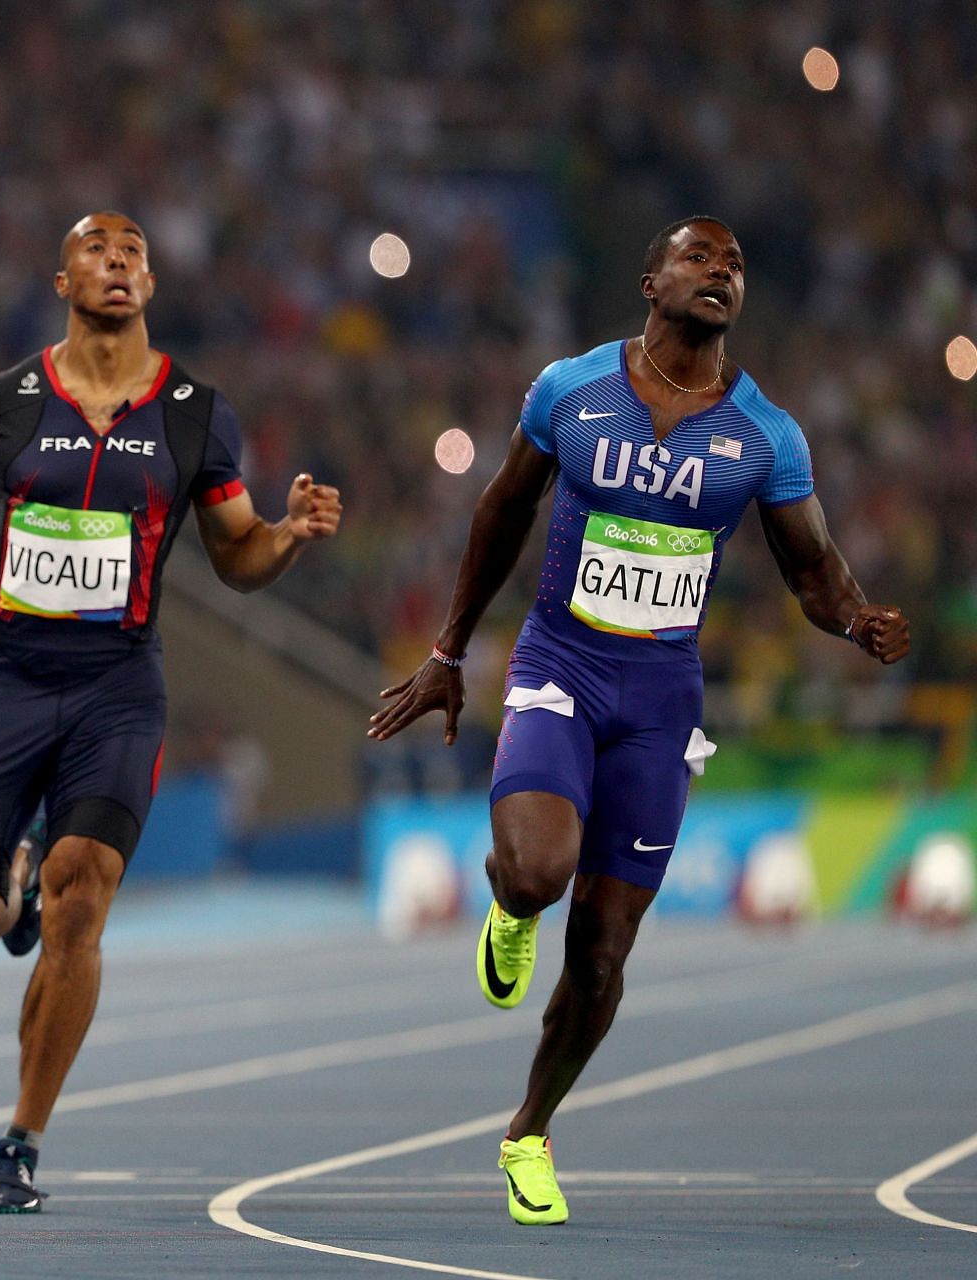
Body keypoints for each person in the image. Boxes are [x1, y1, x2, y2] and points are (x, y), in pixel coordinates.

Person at [367, 216, 908, 1225]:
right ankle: (509, 906)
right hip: (560, 665)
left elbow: (813, 569)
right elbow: (500, 511)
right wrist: (448, 652)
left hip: (661, 703)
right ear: (652, 277)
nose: (721, 273)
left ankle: (528, 1128)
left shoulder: (766, 434)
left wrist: (857, 617)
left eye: (738, 265)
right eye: (701, 258)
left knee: (606, 952)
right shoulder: (570, 387)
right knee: (535, 869)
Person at [0, 211, 341, 1212]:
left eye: (135, 252)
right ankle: (8, 882)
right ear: (61, 274)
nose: (118, 262)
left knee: (85, 896)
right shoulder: (6, 402)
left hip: (118, 686)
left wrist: (284, 538)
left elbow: (237, 553)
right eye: (96, 249)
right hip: (8, 681)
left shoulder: (197, 412)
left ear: (151, 282)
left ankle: (21, 1139)